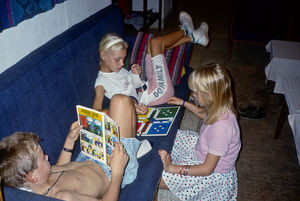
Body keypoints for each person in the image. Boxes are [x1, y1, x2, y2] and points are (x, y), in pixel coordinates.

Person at [0, 95, 145, 201]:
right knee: (122, 101)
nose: (47, 157)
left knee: (119, 105)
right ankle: (132, 128)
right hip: (113, 169)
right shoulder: (63, 196)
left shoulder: (41, 177)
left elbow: (62, 167)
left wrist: (69, 141)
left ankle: (131, 120)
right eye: (43, 157)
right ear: (32, 176)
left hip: (91, 154)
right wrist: (117, 173)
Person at [93, 11, 209, 115]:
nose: (122, 64)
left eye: (123, 59)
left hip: (149, 84)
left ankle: (194, 38)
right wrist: (128, 108)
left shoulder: (116, 68)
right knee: (156, 43)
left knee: (150, 43)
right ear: (103, 55)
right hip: (158, 92)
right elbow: (95, 111)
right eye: (118, 59)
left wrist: (134, 74)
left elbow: (134, 86)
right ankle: (186, 30)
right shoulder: (101, 82)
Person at [158, 63, 241, 200]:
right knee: (171, 135)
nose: (193, 95)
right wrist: (183, 103)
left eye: (196, 92)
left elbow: (207, 169)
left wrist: (172, 167)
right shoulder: (220, 104)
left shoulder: (222, 128)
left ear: (210, 95)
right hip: (203, 148)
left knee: (159, 179)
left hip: (212, 172)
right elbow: (205, 115)